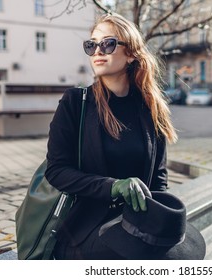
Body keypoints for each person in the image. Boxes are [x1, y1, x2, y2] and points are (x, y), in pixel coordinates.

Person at [44, 13, 178, 259]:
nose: (97, 51)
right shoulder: (76, 102)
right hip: (85, 229)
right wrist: (113, 186)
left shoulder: (150, 107)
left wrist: (157, 219)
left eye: (107, 43)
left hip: (136, 226)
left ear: (131, 54)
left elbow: (158, 179)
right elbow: (56, 171)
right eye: (91, 44)